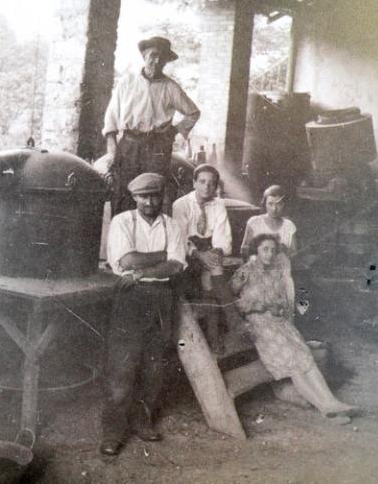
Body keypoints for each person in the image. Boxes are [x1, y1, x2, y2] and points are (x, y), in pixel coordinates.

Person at [101, 172, 187, 456]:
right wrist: (163, 255)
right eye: (144, 196)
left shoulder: (173, 225)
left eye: (155, 196)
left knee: (154, 367)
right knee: (122, 367)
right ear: (135, 197)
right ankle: (113, 432)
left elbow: (176, 266)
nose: (150, 201)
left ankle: (141, 421)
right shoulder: (121, 221)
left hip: (162, 297)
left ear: (163, 196)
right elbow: (126, 259)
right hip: (130, 298)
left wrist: (140, 271)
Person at [230, 234, 357, 418]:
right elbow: (232, 300)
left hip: (278, 322)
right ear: (256, 251)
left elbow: (283, 301)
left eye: (273, 250)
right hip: (259, 324)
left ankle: (332, 401)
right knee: (293, 362)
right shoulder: (245, 271)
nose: (269, 254)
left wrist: (277, 306)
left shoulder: (275, 272)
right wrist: (257, 306)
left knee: (305, 356)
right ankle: (323, 406)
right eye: (265, 249)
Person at [101, 36, 201, 215]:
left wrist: (174, 130)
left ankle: (151, 239)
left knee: (153, 195)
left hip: (158, 147)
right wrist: (112, 144)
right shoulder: (128, 82)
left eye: (162, 58)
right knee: (123, 192)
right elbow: (112, 114)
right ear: (144, 56)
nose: (157, 61)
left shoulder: (170, 87)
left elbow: (193, 112)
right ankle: (122, 237)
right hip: (129, 144)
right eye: (153, 55)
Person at [172, 164, 243, 352]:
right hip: (188, 256)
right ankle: (231, 317)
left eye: (212, 183)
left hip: (211, 253)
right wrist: (199, 254)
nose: (207, 187)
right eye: (202, 182)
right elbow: (180, 239)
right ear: (194, 183)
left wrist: (215, 252)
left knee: (210, 277)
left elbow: (222, 235)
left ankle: (214, 337)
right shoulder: (181, 205)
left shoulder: (218, 204)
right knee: (213, 271)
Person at [239, 185, 296, 317]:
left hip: (280, 275)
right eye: (270, 204)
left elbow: (294, 253)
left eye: (279, 204)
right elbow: (244, 250)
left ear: (284, 204)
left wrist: (283, 250)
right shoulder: (254, 222)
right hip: (257, 273)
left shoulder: (289, 225)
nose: (274, 209)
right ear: (264, 203)